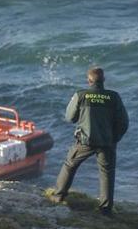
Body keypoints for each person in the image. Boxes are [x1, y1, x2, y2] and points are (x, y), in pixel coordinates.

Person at [50, 67, 128, 216]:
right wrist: (113, 138)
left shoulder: (81, 95)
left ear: (89, 81)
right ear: (104, 80)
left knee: (69, 165)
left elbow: (70, 117)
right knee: (107, 173)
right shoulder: (114, 97)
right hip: (107, 142)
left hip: (85, 141)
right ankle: (105, 209)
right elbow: (124, 123)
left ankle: (58, 196)